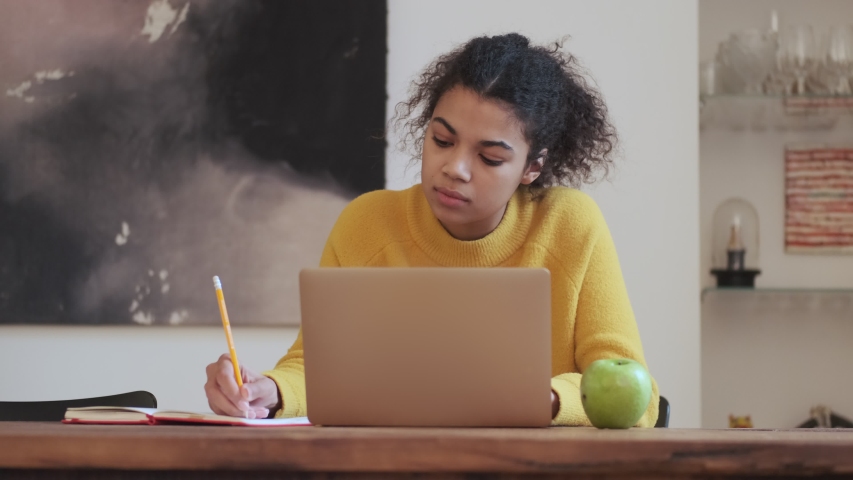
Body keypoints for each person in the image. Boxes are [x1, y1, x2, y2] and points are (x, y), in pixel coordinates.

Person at [204, 32, 659, 427]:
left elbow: (639, 402)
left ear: (531, 167)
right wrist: (269, 391)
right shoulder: (367, 224)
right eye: (441, 140)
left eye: (490, 158)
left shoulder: (569, 225)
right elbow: (318, 369)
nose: (455, 168)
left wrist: (549, 398)